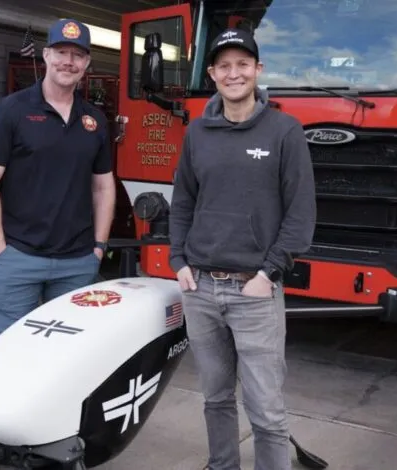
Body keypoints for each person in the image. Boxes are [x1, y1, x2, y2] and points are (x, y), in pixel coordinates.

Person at [168, 28, 317, 470]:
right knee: (215, 400)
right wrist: (179, 261)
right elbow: (182, 203)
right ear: (212, 74)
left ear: (258, 70)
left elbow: (300, 214)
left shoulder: (285, 131)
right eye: (225, 66)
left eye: (243, 64)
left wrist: (267, 273)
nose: (234, 73)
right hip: (202, 290)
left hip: (255, 293)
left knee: (267, 412)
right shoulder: (197, 133)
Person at [0, 18, 116, 339]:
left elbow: (104, 186)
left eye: (77, 55)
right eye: (61, 52)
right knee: (12, 352)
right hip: (19, 257)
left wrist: (98, 247)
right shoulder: (11, 111)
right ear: (46, 56)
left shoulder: (94, 120)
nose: (69, 61)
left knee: (68, 356)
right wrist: (1, 251)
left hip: (78, 263)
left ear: (86, 63)